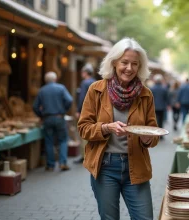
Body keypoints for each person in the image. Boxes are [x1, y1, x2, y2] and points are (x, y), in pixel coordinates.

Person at [77, 38, 159, 220]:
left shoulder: (146, 95)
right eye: (124, 62)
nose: (129, 68)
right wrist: (106, 127)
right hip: (105, 166)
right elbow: (83, 128)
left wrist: (147, 137)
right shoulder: (96, 90)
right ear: (114, 62)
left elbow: (153, 132)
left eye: (134, 64)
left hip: (136, 164)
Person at [33, 71, 73, 171]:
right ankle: (63, 162)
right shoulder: (61, 88)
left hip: (47, 118)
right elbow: (69, 100)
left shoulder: (42, 90)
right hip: (59, 117)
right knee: (63, 140)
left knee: (49, 141)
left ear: (46, 80)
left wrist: (41, 115)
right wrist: (64, 110)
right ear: (55, 79)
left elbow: (35, 107)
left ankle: (50, 165)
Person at [74, 63, 96, 164]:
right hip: (95, 111)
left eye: (83, 72)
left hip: (86, 111)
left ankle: (84, 156)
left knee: (84, 132)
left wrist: (79, 110)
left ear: (85, 73)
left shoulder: (85, 83)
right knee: (93, 132)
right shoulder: (96, 82)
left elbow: (82, 97)